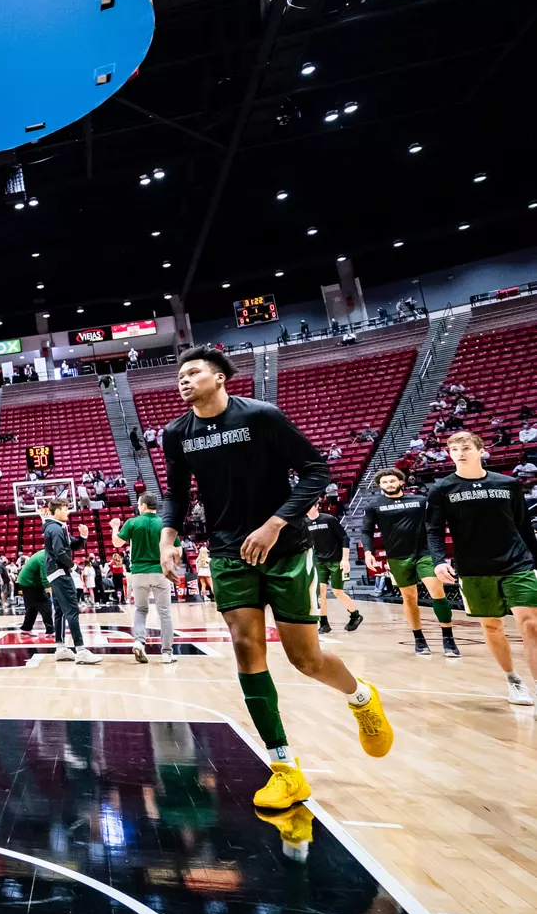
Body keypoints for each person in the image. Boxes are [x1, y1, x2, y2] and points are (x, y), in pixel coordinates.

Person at [159, 346, 391, 812]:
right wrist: (168, 537)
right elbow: (178, 495)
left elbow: (316, 472)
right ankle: (284, 768)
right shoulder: (176, 433)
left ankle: (362, 698)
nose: (184, 381)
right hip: (228, 551)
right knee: (246, 648)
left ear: (221, 378)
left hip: (285, 549)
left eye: (194, 372)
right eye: (180, 376)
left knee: (305, 659)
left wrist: (275, 522)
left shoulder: (262, 416)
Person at [425, 431, 537, 707]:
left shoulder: (508, 484)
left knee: (531, 624)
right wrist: (439, 560)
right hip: (474, 568)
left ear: (481, 450)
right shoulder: (442, 489)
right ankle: (513, 680)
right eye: (454, 450)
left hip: (517, 562)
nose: (459, 453)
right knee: (492, 626)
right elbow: (434, 529)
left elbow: (524, 526)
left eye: (465, 448)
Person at [363, 467, 457, 657]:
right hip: (397, 557)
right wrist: (368, 552)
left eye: (392, 481)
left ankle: (448, 638)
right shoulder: (373, 506)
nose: (389, 484)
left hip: (424, 554)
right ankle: (419, 638)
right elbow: (366, 531)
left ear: (401, 482)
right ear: (380, 486)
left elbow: (434, 524)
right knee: (409, 598)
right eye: (385, 482)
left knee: (437, 593)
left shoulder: (420, 501)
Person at [113, 494, 176, 664]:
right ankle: (167, 653)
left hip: (138, 572)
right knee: (165, 613)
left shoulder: (133, 522)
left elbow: (117, 544)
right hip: (160, 571)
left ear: (143, 506)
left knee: (141, 610)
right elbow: (176, 549)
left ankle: (139, 642)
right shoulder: (164, 523)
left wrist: (114, 527)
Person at [42, 501, 99, 664]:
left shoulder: (56, 527)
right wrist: (75, 567)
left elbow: (74, 545)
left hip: (54, 573)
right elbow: (60, 553)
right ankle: (81, 650)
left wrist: (84, 537)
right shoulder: (55, 528)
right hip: (60, 572)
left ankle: (60, 648)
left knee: (59, 611)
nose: (68, 512)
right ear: (58, 510)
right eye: (66, 509)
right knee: (72, 610)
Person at [307, 503, 360, 634]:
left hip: (337, 561)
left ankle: (355, 615)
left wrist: (345, 560)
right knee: (321, 594)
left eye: (310, 506)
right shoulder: (304, 523)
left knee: (337, 592)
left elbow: (344, 538)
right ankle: (324, 623)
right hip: (319, 563)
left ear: (317, 506)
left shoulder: (329, 519)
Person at [15, 549, 55, 635]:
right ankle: (50, 631)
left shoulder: (47, 553)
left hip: (27, 581)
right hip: (29, 582)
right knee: (46, 604)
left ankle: (26, 629)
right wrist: (52, 593)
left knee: (32, 607)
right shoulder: (44, 558)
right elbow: (45, 579)